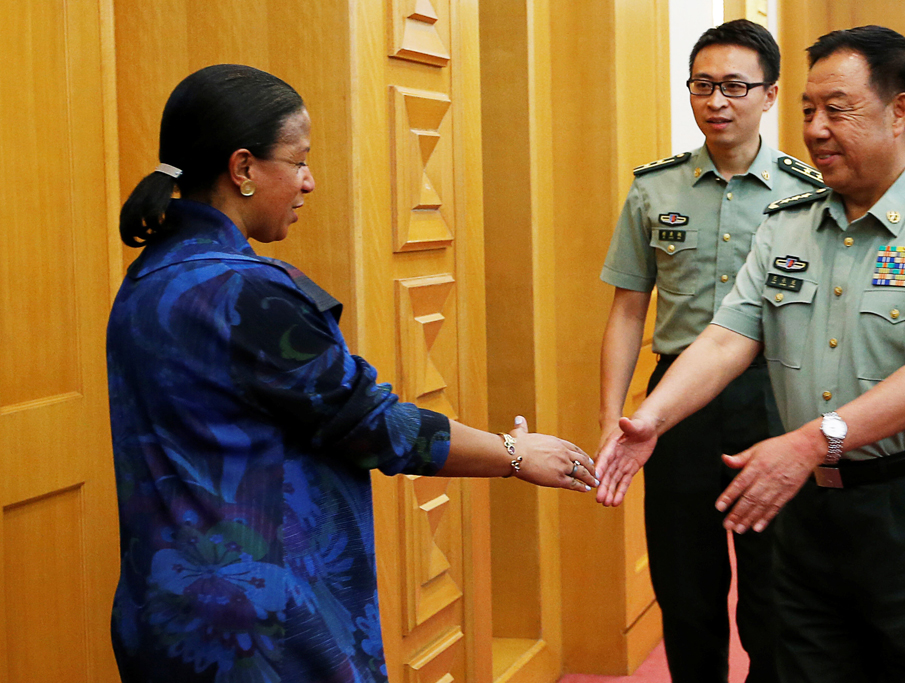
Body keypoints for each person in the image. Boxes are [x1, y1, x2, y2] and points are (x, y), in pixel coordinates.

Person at [107, 64, 597, 683]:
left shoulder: (148, 279)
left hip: (165, 612)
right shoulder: (245, 294)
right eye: (299, 160)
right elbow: (374, 424)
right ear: (243, 169)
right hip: (263, 630)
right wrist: (514, 452)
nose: (310, 182)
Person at [596, 26, 905, 682]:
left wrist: (813, 440)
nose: (816, 128)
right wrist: (654, 415)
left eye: (836, 109)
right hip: (810, 510)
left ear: (899, 111)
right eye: (809, 110)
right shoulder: (787, 222)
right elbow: (729, 334)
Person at [598, 19, 823, 683]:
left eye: (733, 86)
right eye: (702, 86)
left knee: (773, 584)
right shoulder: (654, 189)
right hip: (676, 404)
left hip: (775, 396)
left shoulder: (808, 192)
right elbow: (628, 309)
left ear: (771, 94)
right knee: (684, 581)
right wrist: (614, 415)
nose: (716, 101)